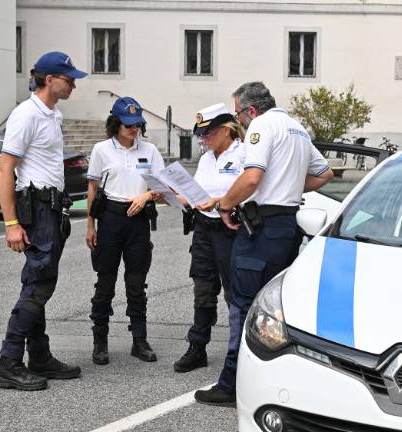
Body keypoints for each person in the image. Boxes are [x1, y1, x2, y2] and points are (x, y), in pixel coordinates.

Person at [194, 82, 334, 406]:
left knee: (243, 306)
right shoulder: (297, 128)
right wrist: (287, 185)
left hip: (261, 229)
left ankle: (231, 385)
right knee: (276, 308)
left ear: (251, 110)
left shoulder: (261, 126)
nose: (238, 121)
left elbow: (252, 177)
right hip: (287, 226)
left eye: (238, 114)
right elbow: (324, 173)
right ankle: (274, 382)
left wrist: (225, 205)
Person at [0, 51, 87, 391]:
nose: (73, 85)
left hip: (53, 208)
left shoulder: (52, 114)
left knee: (38, 282)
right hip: (39, 208)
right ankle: (8, 362)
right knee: (40, 284)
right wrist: (11, 223)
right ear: (49, 80)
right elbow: (5, 169)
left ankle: (40, 356)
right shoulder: (26, 114)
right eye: (69, 79)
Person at [85, 97, 165, 365]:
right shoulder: (101, 149)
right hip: (110, 217)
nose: (134, 129)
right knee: (105, 282)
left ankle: (139, 340)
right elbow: (93, 188)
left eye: (137, 124)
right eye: (128, 124)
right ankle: (100, 341)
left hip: (138, 219)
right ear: (115, 124)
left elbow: (163, 187)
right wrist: (90, 225)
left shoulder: (150, 150)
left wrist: (147, 196)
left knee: (136, 284)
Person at [173, 103, 246, 373]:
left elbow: (251, 190)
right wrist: (169, 195)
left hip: (232, 229)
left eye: (208, 133)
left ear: (226, 130)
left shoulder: (243, 154)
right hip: (204, 228)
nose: (204, 139)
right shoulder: (206, 159)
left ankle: (239, 351)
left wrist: (220, 200)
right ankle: (198, 347)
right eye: (201, 135)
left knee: (234, 292)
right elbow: (195, 195)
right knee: (203, 288)